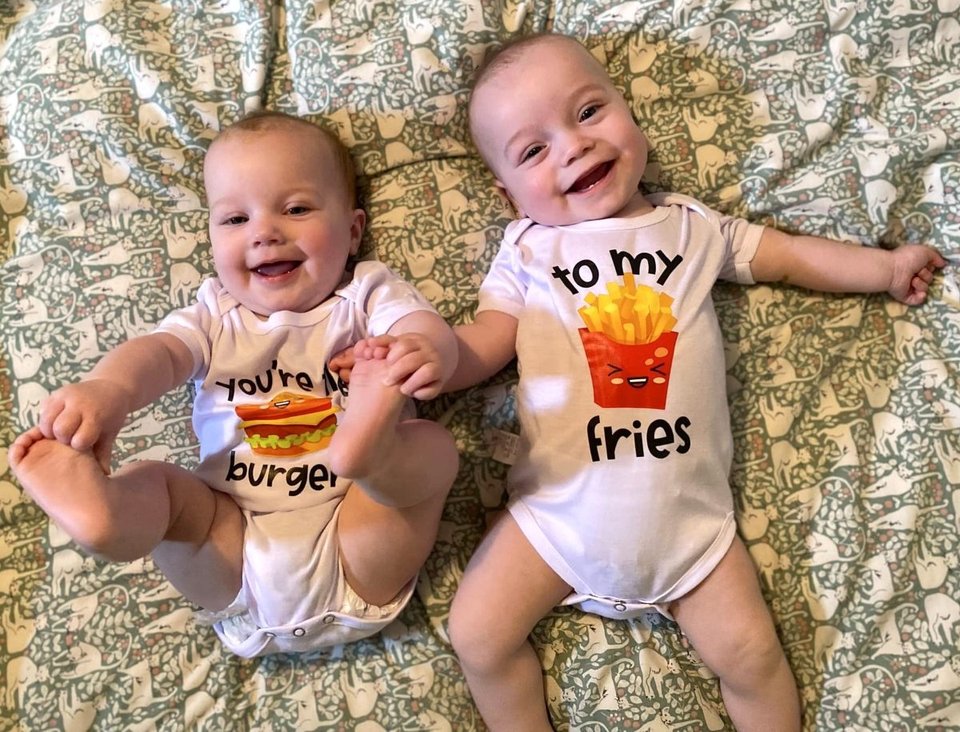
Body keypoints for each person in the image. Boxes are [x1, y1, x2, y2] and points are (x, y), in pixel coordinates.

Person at [386, 34, 944, 731]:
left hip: (692, 534)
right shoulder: (529, 249)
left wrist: (883, 270)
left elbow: (791, 257)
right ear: (508, 195)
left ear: (630, 111)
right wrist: (438, 358)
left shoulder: (692, 227)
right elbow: (488, 340)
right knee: (476, 633)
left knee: (753, 658)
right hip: (556, 521)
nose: (573, 146)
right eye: (533, 150)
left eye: (589, 111)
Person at [8, 111, 460, 658]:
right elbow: (160, 354)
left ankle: (369, 449)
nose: (264, 232)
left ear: (353, 231)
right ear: (211, 238)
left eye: (296, 209)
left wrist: (423, 349)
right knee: (166, 491)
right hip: (233, 549)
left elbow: (420, 327)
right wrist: (111, 391)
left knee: (430, 449)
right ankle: (108, 517)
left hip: (356, 534)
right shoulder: (213, 314)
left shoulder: (365, 296)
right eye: (235, 219)